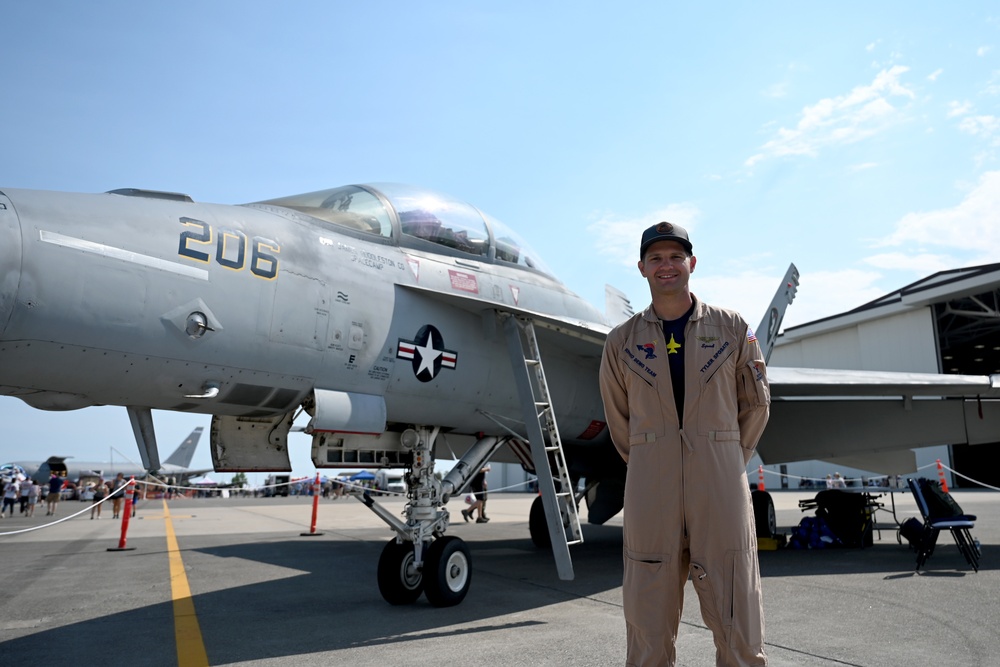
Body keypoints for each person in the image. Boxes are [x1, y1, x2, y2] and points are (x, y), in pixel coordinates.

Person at [599, 221, 770, 667]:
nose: (666, 265)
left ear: (692, 263)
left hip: (719, 485)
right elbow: (620, 422)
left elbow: (756, 405)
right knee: (647, 622)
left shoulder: (733, 329)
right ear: (641, 268)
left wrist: (726, 456)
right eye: (656, 258)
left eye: (676, 256)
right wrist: (655, 460)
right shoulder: (620, 343)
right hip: (650, 492)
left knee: (738, 619)